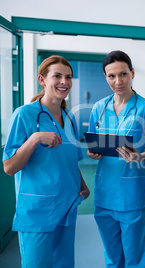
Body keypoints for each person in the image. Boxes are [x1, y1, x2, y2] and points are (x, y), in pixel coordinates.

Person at [2, 55, 90, 268]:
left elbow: (71, 161)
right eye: (57, 76)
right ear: (42, 79)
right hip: (37, 211)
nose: (64, 82)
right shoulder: (24, 115)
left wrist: (83, 186)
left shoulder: (69, 118)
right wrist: (34, 139)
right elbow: (9, 167)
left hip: (67, 206)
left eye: (68, 77)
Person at [87, 50, 145, 268]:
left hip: (132, 195)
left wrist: (141, 156)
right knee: (112, 256)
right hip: (104, 193)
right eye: (111, 76)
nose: (118, 81)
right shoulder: (98, 108)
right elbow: (94, 145)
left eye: (123, 74)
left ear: (132, 73)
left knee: (135, 257)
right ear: (105, 77)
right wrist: (93, 153)